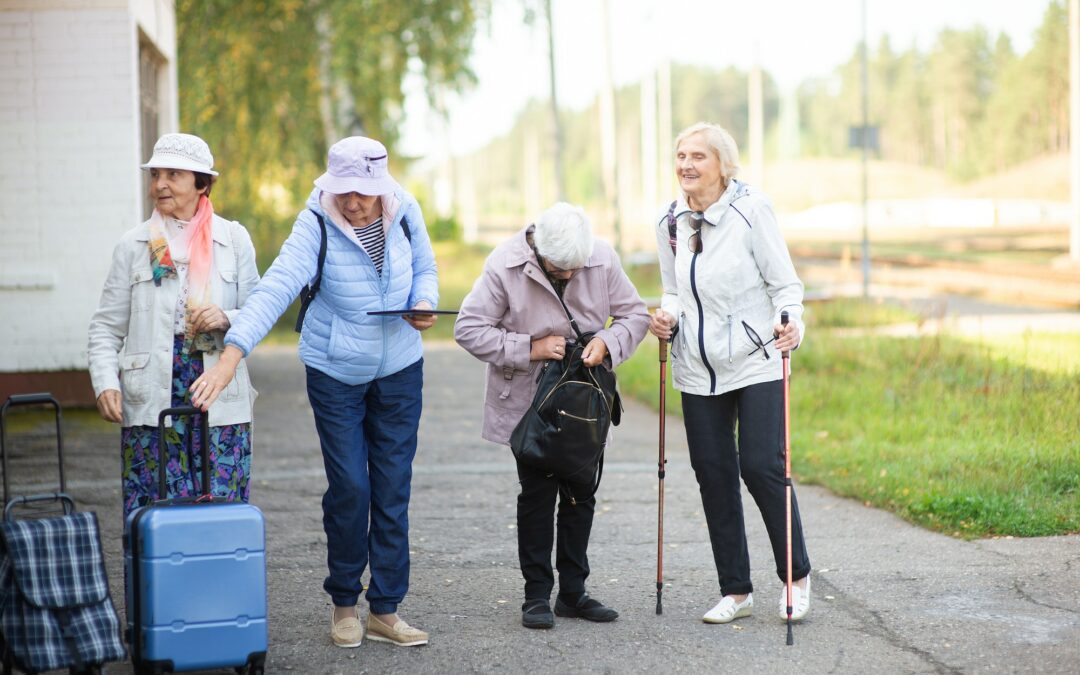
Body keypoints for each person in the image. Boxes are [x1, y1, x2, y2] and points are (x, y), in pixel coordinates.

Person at [190, 136, 436, 650]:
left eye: (362, 193)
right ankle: (345, 604)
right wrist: (231, 357)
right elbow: (276, 288)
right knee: (351, 488)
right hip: (335, 372)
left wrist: (424, 302)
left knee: (393, 489)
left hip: (399, 372)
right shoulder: (316, 223)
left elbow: (426, 269)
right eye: (343, 190)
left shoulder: (405, 210)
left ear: (381, 188)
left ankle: (386, 610)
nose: (352, 202)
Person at [454, 202, 649, 630]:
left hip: (585, 401)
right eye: (560, 269)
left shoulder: (602, 257)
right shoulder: (504, 264)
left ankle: (573, 594)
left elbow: (636, 315)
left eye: (576, 268)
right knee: (538, 496)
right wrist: (529, 348)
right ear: (539, 250)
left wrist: (609, 343)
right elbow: (468, 328)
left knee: (582, 494)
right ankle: (536, 596)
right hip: (530, 405)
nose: (570, 276)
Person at [648, 122, 812, 624]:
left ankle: (796, 578)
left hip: (756, 357)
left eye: (698, 156)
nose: (686, 165)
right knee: (714, 474)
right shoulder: (670, 222)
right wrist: (666, 314)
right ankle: (736, 591)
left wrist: (793, 323)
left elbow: (784, 283)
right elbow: (673, 289)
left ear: (723, 164)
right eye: (680, 156)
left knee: (761, 465)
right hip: (697, 367)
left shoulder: (751, 210)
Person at [88, 133, 259, 518]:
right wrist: (105, 384)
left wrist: (227, 317)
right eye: (155, 175)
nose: (159, 184)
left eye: (173, 174)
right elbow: (104, 329)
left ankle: (218, 580)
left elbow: (258, 311)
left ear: (202, 183)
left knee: (221, 507)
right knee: (152, 510)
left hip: (218, 393)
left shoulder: (233, 239)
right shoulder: (134, 244)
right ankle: (156, 581)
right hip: (152, 397)